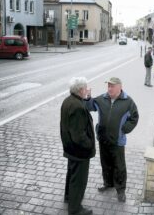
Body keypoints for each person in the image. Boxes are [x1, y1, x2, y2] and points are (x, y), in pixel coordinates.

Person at [86, 77, 139, 202]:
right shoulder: (102, 98)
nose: (109, 88)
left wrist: (124, 129)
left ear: (119, 87)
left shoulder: (128, 101)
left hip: (117, 141)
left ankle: (120, 190)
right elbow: (90, 106)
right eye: (108, 86)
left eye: (112, 86)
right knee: (105, 163)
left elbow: (134, 117)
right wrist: (88, 97)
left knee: (119, 166)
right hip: (103, 139)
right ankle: (108, 183)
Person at [60, 77, 95, 215]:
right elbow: (78, 135)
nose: (87, 90)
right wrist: (89, 144)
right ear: (80, 90)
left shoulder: (68, 101)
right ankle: (75, 209)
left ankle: (69, 197)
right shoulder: (77, 106)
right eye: (86, 88)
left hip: (70, 148)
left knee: (72, 174)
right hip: (79, 151)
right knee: (79, 180)